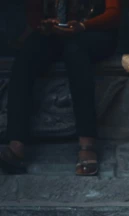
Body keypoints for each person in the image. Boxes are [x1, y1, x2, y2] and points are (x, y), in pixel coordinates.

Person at [0, 0, 121, 176]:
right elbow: (34, 14)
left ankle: (87, 142)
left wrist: (82, 26)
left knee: (75, 51)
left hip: (95, 31)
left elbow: (114, 15)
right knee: (28, 53)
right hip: (58, 33)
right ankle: (16, 144)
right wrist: (45, 26)